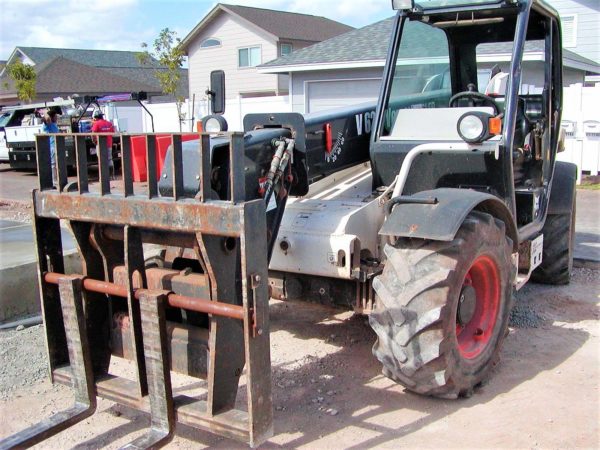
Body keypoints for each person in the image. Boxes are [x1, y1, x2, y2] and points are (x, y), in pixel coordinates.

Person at [91, 109, 115, 174]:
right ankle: (111, 175)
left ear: (96, 117)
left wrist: (94, 141)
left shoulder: (96, 124)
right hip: (109, 144)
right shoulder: (109, 123)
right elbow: (113, 133)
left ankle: (103, 175)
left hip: (100, 145)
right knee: (109, 159)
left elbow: (93, 134)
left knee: (101, 160)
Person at [42, 109, 60, 184]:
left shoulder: (54, 124)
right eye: (55, 116)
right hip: (52, 146)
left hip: (57, 145)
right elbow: (47, 118)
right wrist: (46, 111)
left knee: (58, 163)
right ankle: (54, 180)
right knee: (53, 164)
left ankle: (57, 179)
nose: (57, 118)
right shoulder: (48, 124)